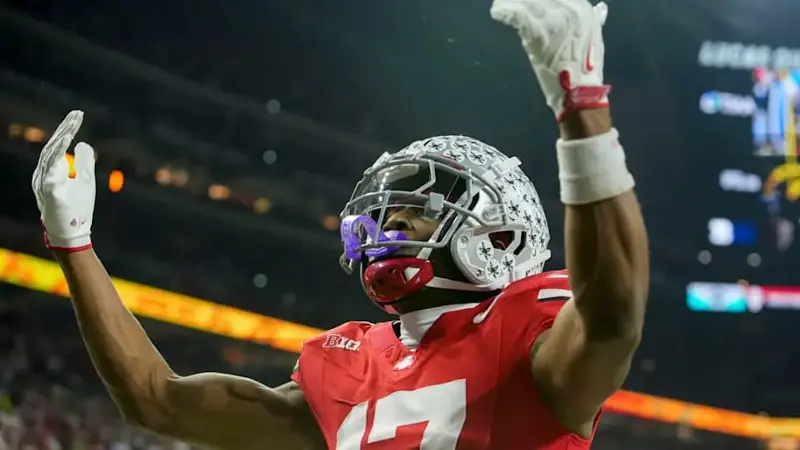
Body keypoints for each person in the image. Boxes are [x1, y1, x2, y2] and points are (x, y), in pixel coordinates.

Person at [30, 0, 649, 448]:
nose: (391, 220)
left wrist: (583, 111)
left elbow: (615, 313)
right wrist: (73, 245)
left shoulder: (527, 333)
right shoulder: (346, 361)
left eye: (420, 207)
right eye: (385, 208)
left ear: (501, 238)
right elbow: (156, 401)